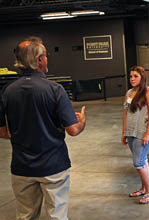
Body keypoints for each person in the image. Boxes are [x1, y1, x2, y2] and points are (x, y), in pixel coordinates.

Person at [0, 37, 86, 220]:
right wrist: (82, 122)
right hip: (53, 166)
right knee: (56, 215)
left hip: (22, 167)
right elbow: (73, 130)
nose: (47, 59)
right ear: (39, 60)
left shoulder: (7, 92)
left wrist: (23, 133)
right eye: (45, 56)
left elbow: (2, 132)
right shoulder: (55, 90)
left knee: (25, 215)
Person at [121, 66, 149, 204]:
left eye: (135, 76)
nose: (132, 79)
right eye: (131, 76)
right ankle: (143, 188)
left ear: (142, 77)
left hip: (142, 132)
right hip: (130, 132)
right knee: (143, 161)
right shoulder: (129, 92)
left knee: (138, 163)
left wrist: (148, 133)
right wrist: (124, 132)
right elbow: (125, 113)